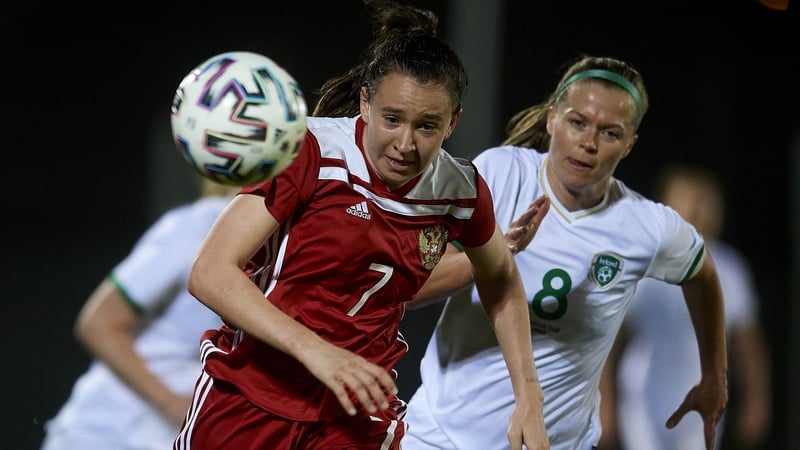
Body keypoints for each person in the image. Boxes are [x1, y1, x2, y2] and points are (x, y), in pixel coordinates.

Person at [172, 1, 549, 449]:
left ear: (453, 122)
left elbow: (501, 276)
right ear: (366, 103)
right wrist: (318, 352)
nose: (405, 144)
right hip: (252, 395)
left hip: (356, 413)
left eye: (428, 126)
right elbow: (210, 272)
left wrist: (528, 394)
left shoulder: (459, 191)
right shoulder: (309, 152)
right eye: (392, 119)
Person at [401, 54, 729, 450]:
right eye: (577, 122)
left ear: (629, 145)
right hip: (439, 437)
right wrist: (495, 257)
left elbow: (703, 274)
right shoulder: (499, 175)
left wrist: (714, 375)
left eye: (610, 133)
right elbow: (412, 286)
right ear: (552, 118)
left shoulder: (648, 227)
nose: (588, 143)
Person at [40, 178, 238, 450]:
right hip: (109, 433)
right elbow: (99, 324)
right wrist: (174, 405)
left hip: (171, 437)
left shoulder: (287, 252)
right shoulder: (199, 225)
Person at [598, 164, 772, 450]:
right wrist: (604, 404)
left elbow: (747, 343)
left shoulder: (731, 270)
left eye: (706, 203)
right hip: (645, 397)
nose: (697, 211)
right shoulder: (643, 267)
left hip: (705, 399)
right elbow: (610, 341)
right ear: (668, 205)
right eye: (688, 200)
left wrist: (757, 399)